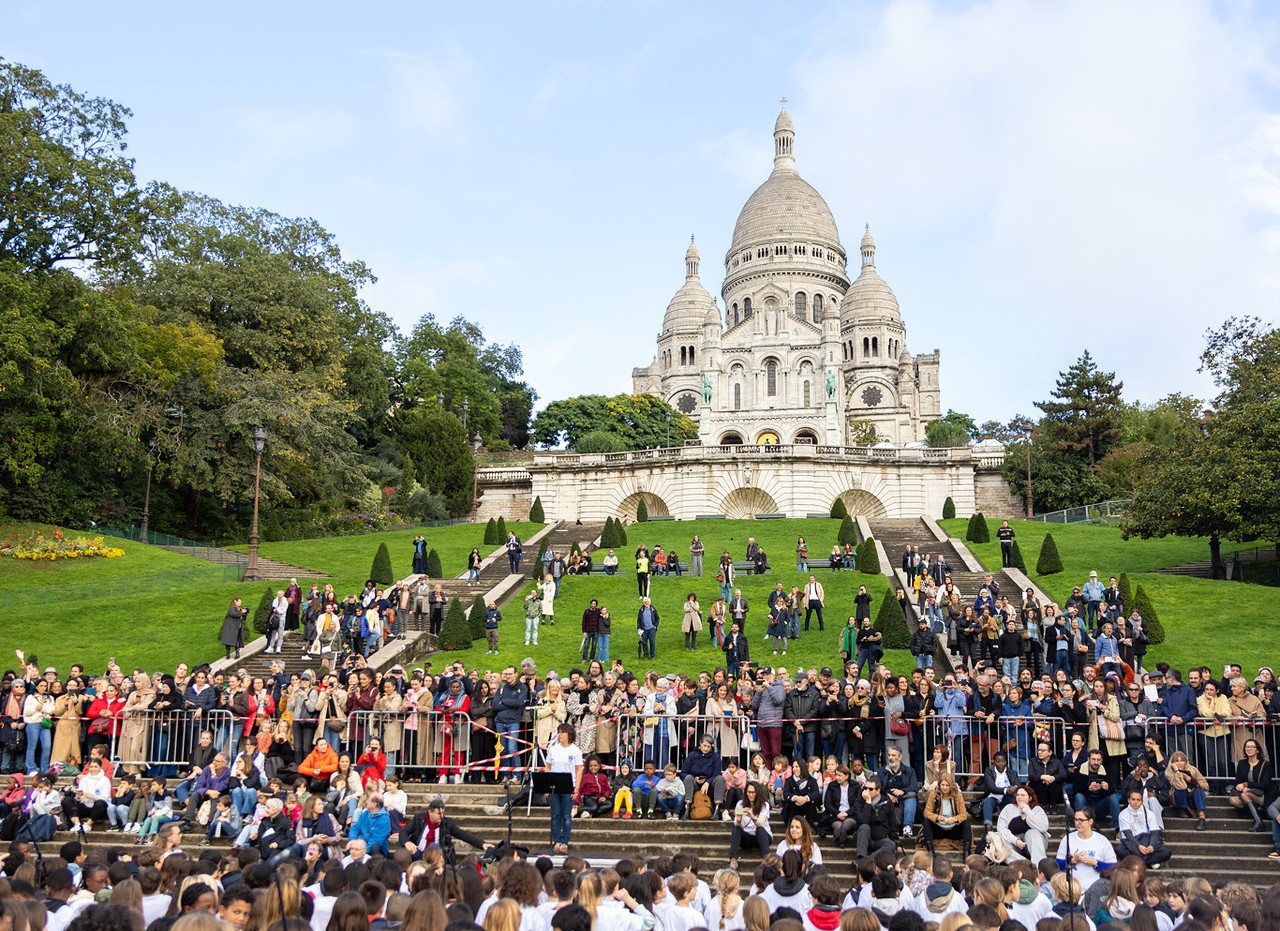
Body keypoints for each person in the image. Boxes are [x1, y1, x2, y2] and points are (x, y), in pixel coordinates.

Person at [399, 796, 492, 862]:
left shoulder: (447, 823)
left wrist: (482, 844)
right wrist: (407, 842)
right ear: (430, 812)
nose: (442, 816)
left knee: (433, 846)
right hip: (418, 853)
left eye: (443, 813)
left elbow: (463, 834)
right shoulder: (418, 819)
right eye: (439, 814)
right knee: (404, 851)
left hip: (437, 856)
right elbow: (403, 832)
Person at [1056, 806, 1117, 893]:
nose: (1078, 823)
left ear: (1090, 821)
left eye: (1081, 820)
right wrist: (1073, 860)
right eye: (1076, 820)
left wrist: (1095, 863)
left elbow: (1113, 867)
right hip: (1073, 888)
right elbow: (1058, 864)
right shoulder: (1067, 839)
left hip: (1095, 889)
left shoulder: (1102, 840)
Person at [546, 722, 583, 853]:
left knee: (566, 815)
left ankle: (565, 841)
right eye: (559, 732)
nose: (560, 735)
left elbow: (579, 770)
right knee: (555, 815)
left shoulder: (575, 751)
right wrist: (546, 785)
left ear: (569, 734)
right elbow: (548, 767)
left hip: (568, 785)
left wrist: (577, 788)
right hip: (554, 785)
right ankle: (556, 840)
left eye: (563, 732)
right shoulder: (553, 749)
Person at [996, 785, 1051, 865]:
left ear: (1030, 798)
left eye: (1022, 795)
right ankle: (1026, 865)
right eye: (1018, 795)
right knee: (999, 844)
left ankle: (1039, 866)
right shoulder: (1008, 808)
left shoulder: (1037, 810)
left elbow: (1043, 827)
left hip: (1034, 844)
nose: (1019, 797)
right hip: (1015, 845)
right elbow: (1001, 829)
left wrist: (1027, 810)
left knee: (1032, 833)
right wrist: (1015, 840)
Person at [1117, 789, 1171, 869]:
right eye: (1133, 799)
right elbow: (1127, 834)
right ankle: (1149, 862)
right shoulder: (1123, 814)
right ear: (1128, 800)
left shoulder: (1149, 814)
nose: (1135, 802)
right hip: (1132, 842)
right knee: (1119, 850)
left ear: (1142, 801)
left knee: (1166, 852)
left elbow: (1154, 832)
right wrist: (1138, 845)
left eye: (1138, 800)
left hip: (1146, 841)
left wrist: (1152, 846)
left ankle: (1138, 862)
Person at [921, 775, 971, 856]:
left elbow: (964, 814)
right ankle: (930, 851)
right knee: (926, 822)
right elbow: (926, 812)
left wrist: (955, 819)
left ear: (951, 786)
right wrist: (936, 817)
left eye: (947, 785)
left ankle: (966, 852)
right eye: (942, 785)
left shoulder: (957, 795)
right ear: (939, 785)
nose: (945, 788)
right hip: (938, 828)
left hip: (953, 828)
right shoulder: (934, 794)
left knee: (967, 821)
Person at [727, 780, 771, 871]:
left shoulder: (764, 805)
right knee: (736, 829)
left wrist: (752, 817)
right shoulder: (740, 804)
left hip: (762, 837)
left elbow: (760, 823)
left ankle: (766, 859)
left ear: (757, 793)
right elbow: (737, 824)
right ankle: (733, 859)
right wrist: (739, 818)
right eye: (749, 792)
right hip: (747, 836)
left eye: (753, 792)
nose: (751, 795)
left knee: (760, 829)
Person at [853, 777, 898, 858]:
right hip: (864, 838)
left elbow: (892, 823)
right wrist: (868, 802)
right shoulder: (859, 801)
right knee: (864, 827)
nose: (867, 791)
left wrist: (896, 841)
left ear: (878, 791)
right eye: (865, 788)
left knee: (891, 845)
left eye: (870, 789)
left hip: (880, 838)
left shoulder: (886, 801)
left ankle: (869, 860)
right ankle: (861, 858)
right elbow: (863, 821)